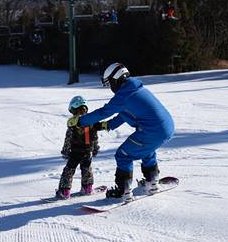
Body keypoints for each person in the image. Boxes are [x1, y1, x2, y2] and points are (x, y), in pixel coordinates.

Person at [67, 63, 174, 201]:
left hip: (151, 131)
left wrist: (80, 121)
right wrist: (107, 125)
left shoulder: (124, 94)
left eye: (110, 83)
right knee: (147, 149)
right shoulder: (136, 90)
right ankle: (152, 182)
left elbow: (103, 112)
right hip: (167, 127)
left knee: (123, 154)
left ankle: (123, 191)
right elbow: (125, 113)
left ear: (117, 79)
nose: (111, 88)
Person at [56, 96, 107, 199]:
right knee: (87, 169)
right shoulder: (91, 121)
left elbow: (68, 138)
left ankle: (64, 191)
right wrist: (95, 148)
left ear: (74, 109)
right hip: (88, 152)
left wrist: (65, 151)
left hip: (75, 151)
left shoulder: (73, 123)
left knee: (69, 170)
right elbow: (95, 137)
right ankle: (87, 188)